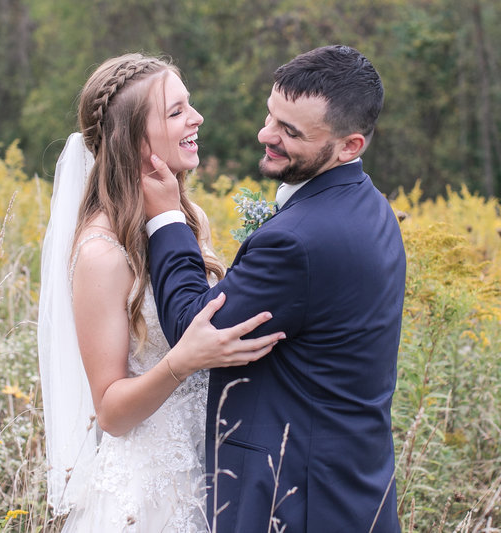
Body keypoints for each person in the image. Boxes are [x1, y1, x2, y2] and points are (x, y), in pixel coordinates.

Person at [142, 45, 406, 532]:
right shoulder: (372, 208)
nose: (266, 135)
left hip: (296, 501)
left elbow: (193, 329)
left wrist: (164, 217)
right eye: (271, 116)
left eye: (291, 132)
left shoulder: (299, 241)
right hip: (352, 491)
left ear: (350, 146)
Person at [38, 53, 286, 532]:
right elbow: (110, 411)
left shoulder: (188, 218)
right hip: (148, 492)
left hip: (212, 471)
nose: (196, 119)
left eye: (188, 105)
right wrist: (182, 361)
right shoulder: (101, 253)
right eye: (175, 112)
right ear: (132, 139)